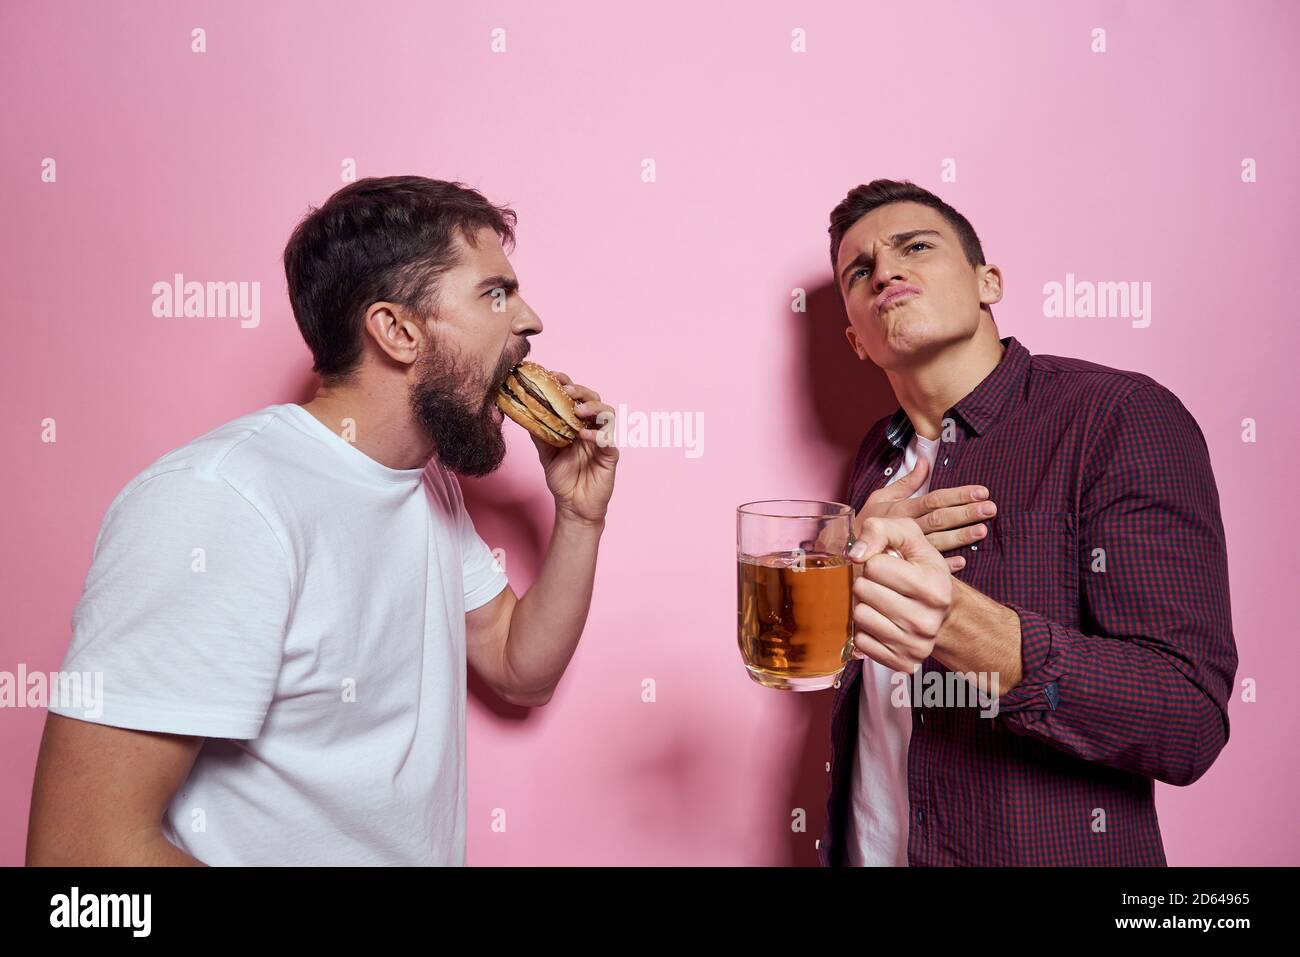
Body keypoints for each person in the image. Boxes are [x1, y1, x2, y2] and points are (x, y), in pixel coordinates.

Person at [27, 176, 618, 866]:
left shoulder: (426, 483)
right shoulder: (218, 502)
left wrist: (579, 514)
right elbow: (78, 859)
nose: (530, 321)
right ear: (396, 330)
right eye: (495, 294)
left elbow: (520, 668)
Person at [818, 179, 1237, 866]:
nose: (884, 271)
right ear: (856, 340)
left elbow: (1187, 718)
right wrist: (838, 559)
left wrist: (961, 626)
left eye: (914, 247)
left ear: (989, 281)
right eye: (858, 271)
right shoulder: (873, 459)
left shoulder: (1119, 416)